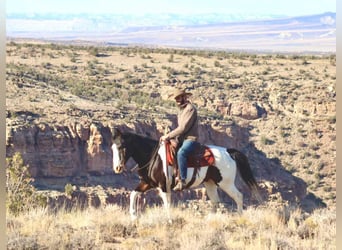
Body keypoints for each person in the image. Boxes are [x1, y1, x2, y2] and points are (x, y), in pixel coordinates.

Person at [160, 88, 199, 191]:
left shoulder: (190, 109)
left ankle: (182, 180)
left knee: (181, 153)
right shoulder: (181, 110)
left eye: (178, 98)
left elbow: (183, 128)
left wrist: (168, 136)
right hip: (182, 138)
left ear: (184, 97)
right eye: (176, 98)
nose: (177, 100)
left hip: (190, 139)